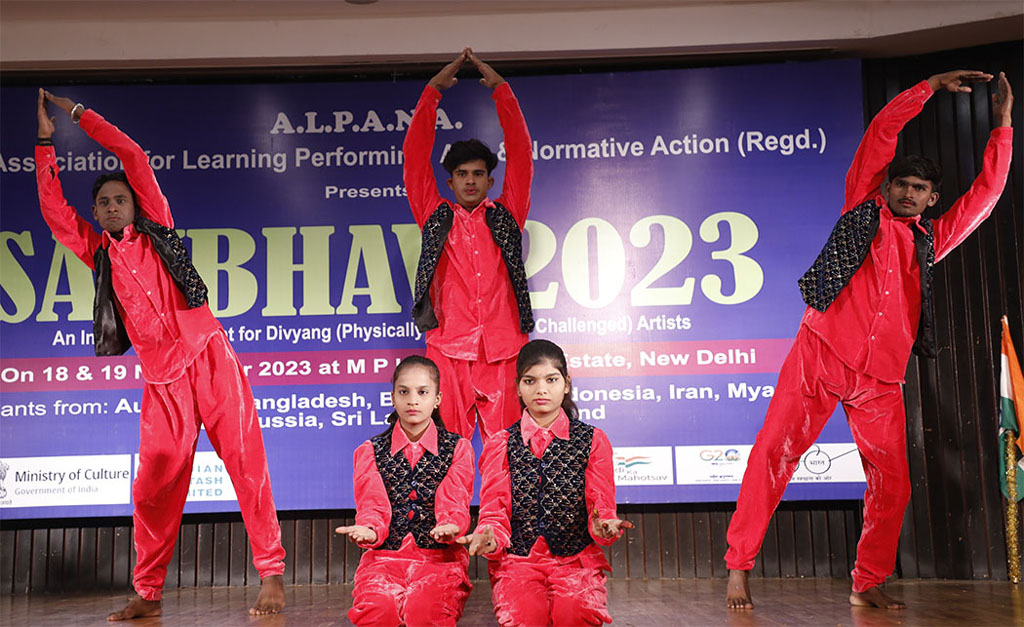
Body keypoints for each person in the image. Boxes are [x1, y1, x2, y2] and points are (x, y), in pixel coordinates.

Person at [724, 70, 1014, 610]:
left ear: (931, 199)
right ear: (886, 186)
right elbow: (881, 132)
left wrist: (1002, 126)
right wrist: (928, 87)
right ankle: (739, 567)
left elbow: (986, 195)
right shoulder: (862, 207)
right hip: (820, 355)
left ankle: (867, 581)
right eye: (901, 184)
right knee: (773, 454)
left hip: (880, 378)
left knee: (894, 483)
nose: (908, 193)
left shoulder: (931, 240)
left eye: (919, 189)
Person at [34, 90, 287, 620]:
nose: (111, 207)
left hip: (209, 357)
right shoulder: (99, 253)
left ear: (135, 204)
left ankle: (271, 575)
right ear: (96, 213)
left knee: (246, 463)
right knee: (153, 488)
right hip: (162, 383)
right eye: (103, 203)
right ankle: (147, 594)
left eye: (119, 200)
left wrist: (79, 115)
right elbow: (56, 214)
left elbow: (132, 155)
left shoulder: (159, 228)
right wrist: (44, 145)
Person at [403, 48, 534, 441]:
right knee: (447, 451)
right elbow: (414, 158)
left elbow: (522, 156)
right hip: (448, 349)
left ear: (490, 181)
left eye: (478, 173)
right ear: (451, 182)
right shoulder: (435, 216)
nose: (471, 181)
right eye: (462, 174)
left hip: (504, 349)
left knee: (507, 450)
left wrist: (502, 92)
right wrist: (432, 92)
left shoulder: (507, 215)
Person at [458, 339, 633, 626]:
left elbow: (600, 505)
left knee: (576, 611)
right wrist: (490, 537)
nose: (541, 389)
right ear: (518, 387)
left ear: (566, 384)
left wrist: (604, 524)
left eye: (551, 380)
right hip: (518, 562)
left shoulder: (593, 440)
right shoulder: (500, 443)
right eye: (530, 381)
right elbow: (494, 509)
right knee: (523, 617)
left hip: (575, 562)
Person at [336, 355, 474, 626]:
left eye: (422, 392)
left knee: (424, 611)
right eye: (404, 392)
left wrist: (451, 526)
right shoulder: (369, 451)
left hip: (440, 560)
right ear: (393, 397)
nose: (413, 400)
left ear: (437, 399)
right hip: (384, 560)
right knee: (378, 609)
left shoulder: (458, 448)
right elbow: (372, 504)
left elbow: (455, 501)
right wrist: (370, 530)